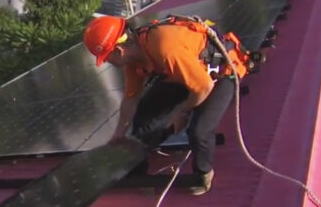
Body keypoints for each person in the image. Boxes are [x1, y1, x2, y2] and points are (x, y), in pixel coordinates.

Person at [83, 15, 251, 195]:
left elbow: (204, 87)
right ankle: (138, 168)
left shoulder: (164, 47)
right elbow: (130, 98)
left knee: (199, 130)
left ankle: (203, 175)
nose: (106, 62)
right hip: (186, 73)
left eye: (106, 58)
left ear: (119, 51)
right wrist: (119, 134)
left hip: (221, 72)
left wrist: (182, 112)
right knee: (145, 114)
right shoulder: (133, 60)